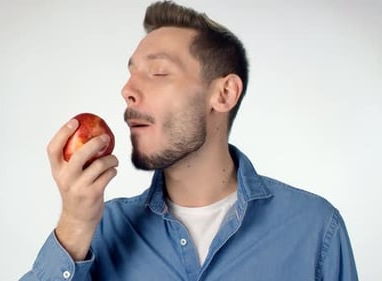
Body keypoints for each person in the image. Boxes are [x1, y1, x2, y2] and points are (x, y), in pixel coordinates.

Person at [21, 1, 358, 280]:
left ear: (224, 94)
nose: (127, 91)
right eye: (131, 74)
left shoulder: (314, 230)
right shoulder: (100, 231)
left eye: (158, 72)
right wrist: (74, 226)